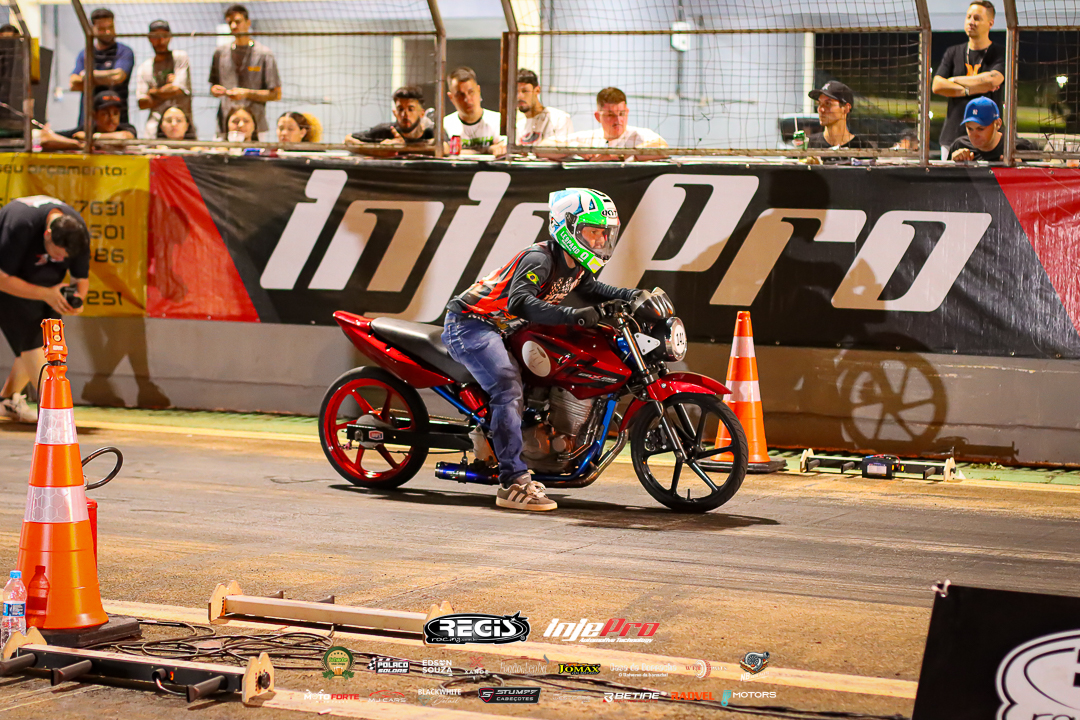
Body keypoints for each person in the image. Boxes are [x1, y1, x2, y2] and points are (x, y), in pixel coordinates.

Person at [442, 188, 643, 512]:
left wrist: (631, 296)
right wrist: (573, 315)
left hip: (506, 327)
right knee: (508, 388)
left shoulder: (576, 263)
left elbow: (591, 288)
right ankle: (512, 482)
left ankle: (523, 437)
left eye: (604, 233)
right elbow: (520, 302)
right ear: (567, 227)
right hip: (472, 324)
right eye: (593, 232)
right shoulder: (540, 259)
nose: (600, 240)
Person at [0, 196, 90, 423]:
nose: (60, 259)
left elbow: (81, 279)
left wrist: (76, 301)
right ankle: (53, 415)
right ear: (47, 234)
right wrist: (46, 294)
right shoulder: (20, 225)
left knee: (49, 342)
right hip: (8, 282)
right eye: (57, 253)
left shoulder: (77, 233)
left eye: (65, 257)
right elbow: (2, 278)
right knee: (33, 343)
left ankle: (7, 400)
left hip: (48, 287)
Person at [932, 1, 1005, 156]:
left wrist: (953, 81)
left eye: (977, 18)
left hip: (989, 140)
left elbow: (993, 80)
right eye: (968, 17)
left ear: (990, 23)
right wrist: (971, 89)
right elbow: (937, 85)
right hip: (953, 136)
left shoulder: (999, 53)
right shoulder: (953, 52)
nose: (971, 22)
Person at [209, 4, 281, 140]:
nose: (233, 26)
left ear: (248, 23)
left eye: (237, 21)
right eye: (230, 22)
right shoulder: (220, 53)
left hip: (256, 125)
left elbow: (276, 94)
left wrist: (247, 93)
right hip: (225, 124)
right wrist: (216, 90)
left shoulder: (264, 54)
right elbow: (213, 87)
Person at [554, 87, 667, 161]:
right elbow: (545, 146)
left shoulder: (639, 135)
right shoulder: (588, 138)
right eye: (611, 115)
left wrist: (617, 154)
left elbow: (663, 147)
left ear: (627, 112)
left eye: (622, 113)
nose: (618, 120)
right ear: (598, 116)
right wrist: (576, 147)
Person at [70, 8, 134, 127]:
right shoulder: (85, 54)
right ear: (92, 29)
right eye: (102, 29)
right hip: (88, 120)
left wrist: (87, 76)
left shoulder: (124, 51)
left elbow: (118, 77)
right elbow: (74, 84)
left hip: (116, 122)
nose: (108, 32)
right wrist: (106, 78)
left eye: (110, 27)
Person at [346, 85, 439, 157]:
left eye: (410, 109)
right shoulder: (385, 131)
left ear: (421, 113)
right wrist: (379, 150)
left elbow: (444, 147)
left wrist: (404, 147)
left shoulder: (431, 133)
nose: (405, 114)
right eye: (400, 109)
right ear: (395, 112)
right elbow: (348, 140)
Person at [136, 20, 191, 139]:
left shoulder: (180, 57)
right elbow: (142, 103)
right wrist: (168, 89)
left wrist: (153, 92)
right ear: (149, 38)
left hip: (182, 131)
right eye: (156, 37)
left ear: (170, 37)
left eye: (164, 36)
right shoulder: (144, 67)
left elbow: (177, 89)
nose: (160, 41)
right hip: (153, 131)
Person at [802, 80, 875, 164]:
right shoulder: (810, 144)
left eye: (828, 104)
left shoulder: (863, 147)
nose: (821, 109)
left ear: (846, 108)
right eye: (819, 103)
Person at [40, 89, 136, 150]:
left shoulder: (125, 128)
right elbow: (46, 139)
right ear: (94, 115)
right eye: (105, 113)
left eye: (115, 113)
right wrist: (77, 144)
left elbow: (124, 137)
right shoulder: (85, 129)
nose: (111, 118)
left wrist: (90, 137)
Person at [948, 96, 1035, 162]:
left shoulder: (1018, 149)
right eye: (970, 129)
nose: (974, 135)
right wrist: (953, 165)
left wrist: (1020, 170)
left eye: (981, 129)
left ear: (997, 124)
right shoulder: (960, 146)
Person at [443, 67, 504, 155]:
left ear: (479, 90)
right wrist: (488, 150)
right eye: (460, 95)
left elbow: (503, 148)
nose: (467, 99)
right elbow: (443, 151)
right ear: (451, 97)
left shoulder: (498, 121)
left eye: (471, 92)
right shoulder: (445, 125)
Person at [515, 68, 573, 147]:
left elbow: (567, 150)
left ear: (537, 90)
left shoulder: (559, 119)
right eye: (515, 92)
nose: (519, 96)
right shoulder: (519, 127)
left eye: (525, 91)